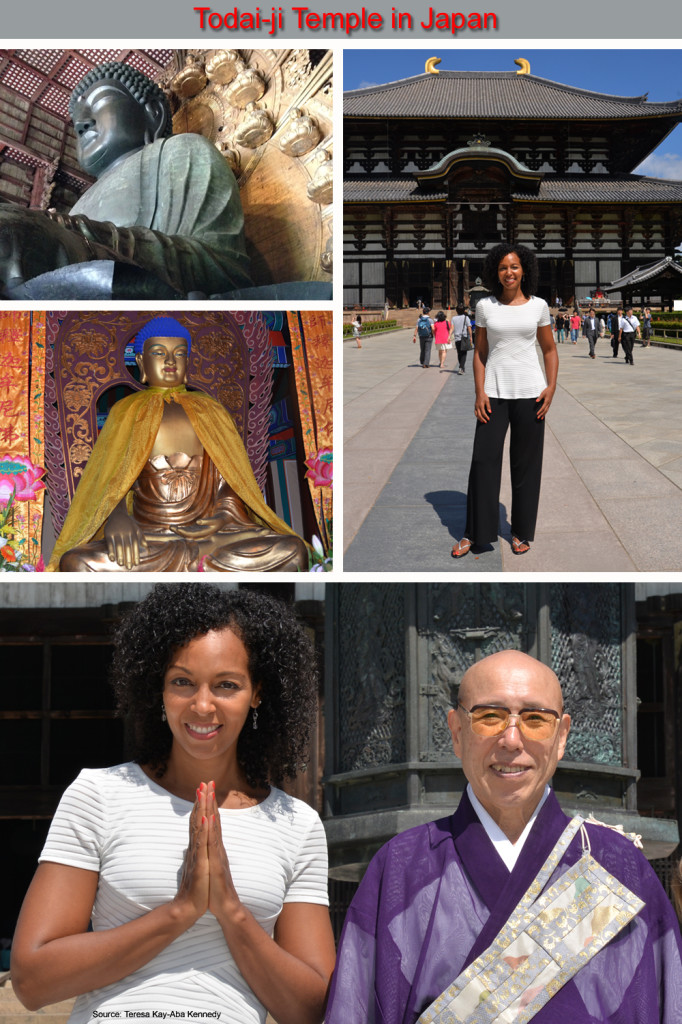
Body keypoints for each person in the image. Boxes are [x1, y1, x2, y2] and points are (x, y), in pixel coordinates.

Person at [12, 583, 335, 1024]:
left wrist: (231, 911)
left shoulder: (297, 825)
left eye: (226, 685)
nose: (203, 705)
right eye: (182, 682)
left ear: (257, 693)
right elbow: (31, 982)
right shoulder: (99, 796)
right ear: (158, 689)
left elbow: (315, 1009)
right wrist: (180, 911)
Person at [325, 649, 682, 1024]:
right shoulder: (401, 868)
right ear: (457, 732)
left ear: (561, 737)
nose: (511, 740)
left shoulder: (616, 867)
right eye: (489, 717)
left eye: (536, 719)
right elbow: (354, 1008)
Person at [48, 316, 307, 571]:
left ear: (188, 363)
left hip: (211, 536)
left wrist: (221, 517)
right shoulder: (127, 411)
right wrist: (117, 520)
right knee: (76, 561)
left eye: (180, 354)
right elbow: (110, 483)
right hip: (150, 535)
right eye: (159, 353)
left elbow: (229, 484)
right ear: (141, 361)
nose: (171, 361)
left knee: (293, 550)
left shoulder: (210, 410)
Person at [0, 61, 252, 299]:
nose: (82, 125)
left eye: (100, 102)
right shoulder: (79, 204)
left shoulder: (181, 151)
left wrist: (78, 233)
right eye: (77, 122)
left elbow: (223, 269)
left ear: (153, 113)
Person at [452, 244, 557, 559]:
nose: (508, 272)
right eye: (502, 268)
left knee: (526, 466)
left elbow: (549, 350)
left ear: (524, 269)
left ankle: (521, 531)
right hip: (494, 395)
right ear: (494, 273)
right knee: (483, 463)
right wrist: (479, 391)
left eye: (514, 266)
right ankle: (475, 532)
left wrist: (551, 387)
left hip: (531, 394)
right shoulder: (485, 306)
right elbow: (481, 353)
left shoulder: (538, 306)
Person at [451, 303, 473, 374]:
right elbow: (469, 327)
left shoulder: (453, 318)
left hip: (457, 338)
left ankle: (461, 367)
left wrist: (449, 335)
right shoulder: (466, 318)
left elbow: (452, 328)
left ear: (456, 311)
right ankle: (461, 367)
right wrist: (471, 337)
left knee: (459, 353)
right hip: (464, 337)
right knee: (464, 353)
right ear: (464, 310)